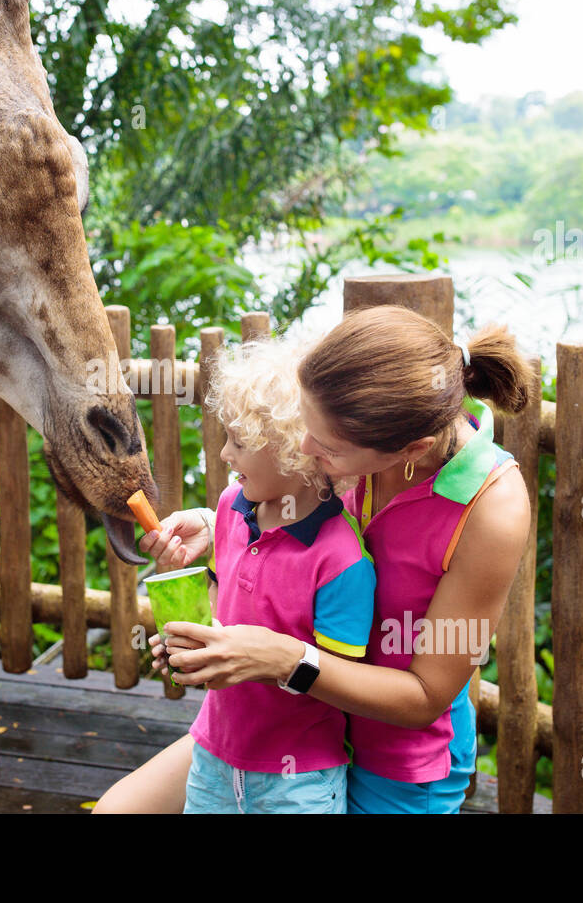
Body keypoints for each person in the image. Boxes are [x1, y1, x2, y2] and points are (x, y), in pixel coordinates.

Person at [92, 305, 535, 814]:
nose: (302, 449)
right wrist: (218, 524)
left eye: (324, 448)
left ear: (413, 449)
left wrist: (282, 659)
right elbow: (302, 501)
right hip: (286, 723)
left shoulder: (490, 507)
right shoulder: (354, 416)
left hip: (393, 755)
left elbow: (425, 696)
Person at [179, 335, 376, 813]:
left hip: (298, 780)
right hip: (213, 756)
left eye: (240, 442)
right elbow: (221, 599)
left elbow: (339, 680)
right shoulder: (229, 508)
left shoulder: (342, 561)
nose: (225, 455)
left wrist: (267, 661)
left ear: (295, 451)